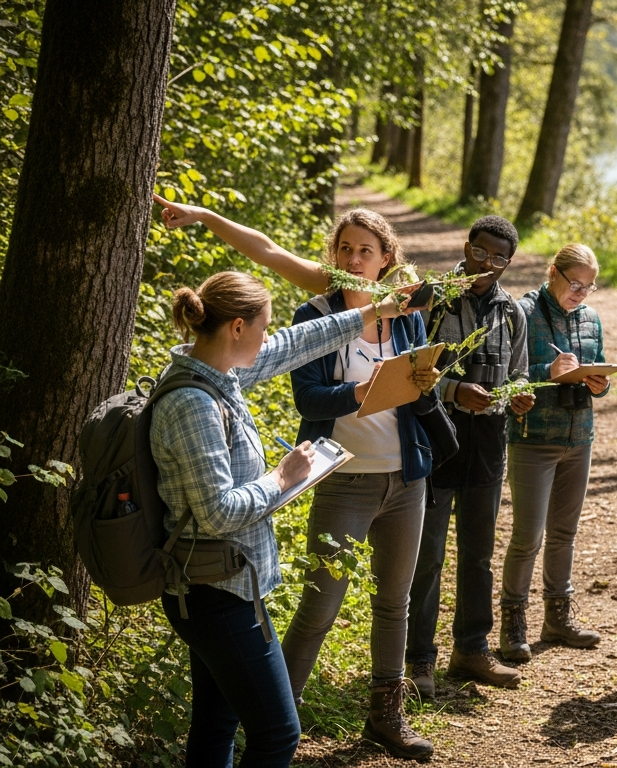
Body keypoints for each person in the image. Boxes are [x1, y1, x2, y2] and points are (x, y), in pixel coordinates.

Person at [149, 269, 419, 767]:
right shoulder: (193, 403)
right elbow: (217, 513)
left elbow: (298, 343)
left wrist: (376, 310)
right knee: (278, 733)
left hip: (222, 586)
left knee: (216, 723)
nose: (269, 337)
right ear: (237, 327)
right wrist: (281, 478)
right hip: (214, 595)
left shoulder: (221, 375)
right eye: (264, 326)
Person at [278, 209, 440, 760]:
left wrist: (425, 382)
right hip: (343, 478)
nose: (352, 259)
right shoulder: (315, 315)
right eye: (344, 248)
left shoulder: (408, 315)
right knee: (319, 607)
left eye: (364, 250)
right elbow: (307, 399)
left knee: (394, 602)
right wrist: (357, 392)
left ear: (385, 259)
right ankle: (277, 721)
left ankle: (385, 718)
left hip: (405, 477)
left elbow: (419, 394)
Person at [405, 216, 534, 696]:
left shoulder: (511, 312)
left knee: (478, 555)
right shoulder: (429, 300)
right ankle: (418, 659)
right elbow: (408, 369)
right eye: (480, 252)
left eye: (499, 257)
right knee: (428, 556)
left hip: (488, 444)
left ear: (508, 262)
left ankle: (471, 649)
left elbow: (519, 373)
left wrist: (518, 395)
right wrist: (455, 391)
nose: (486, 264)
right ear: (466, 248)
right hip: (436, 442)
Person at [499, 244, 611, 663]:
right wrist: (547, 372)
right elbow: (506, 376)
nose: (580, 293)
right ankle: (513, 623)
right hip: (533, 440)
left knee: (565, 533)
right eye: (575, 284)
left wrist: (600, 383)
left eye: (588, 287)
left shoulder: (591, 318)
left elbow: (598, 366)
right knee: (527, 537)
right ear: (552, 273)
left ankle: (558, 618)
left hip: (579, 437)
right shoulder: (523, 312)